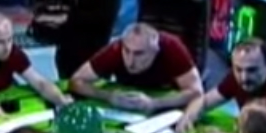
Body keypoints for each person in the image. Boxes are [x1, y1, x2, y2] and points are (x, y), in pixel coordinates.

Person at [176, 38, 266, 133]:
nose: (244, 77)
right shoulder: (237, 78)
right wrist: (188, 117)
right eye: (238, 69)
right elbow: (205, 100)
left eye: (252, 70)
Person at [69, 23, 203, 112]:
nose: (130, 61)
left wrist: (155, 103)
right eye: (127, 51)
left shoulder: (172, 47)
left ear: (155, 50)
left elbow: (196, 92)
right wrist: (108, 96)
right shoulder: (116, 49)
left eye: (139, 54)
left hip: (165, 104)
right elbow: (76, 81)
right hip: (127, 105)